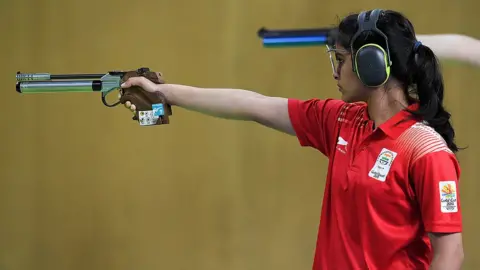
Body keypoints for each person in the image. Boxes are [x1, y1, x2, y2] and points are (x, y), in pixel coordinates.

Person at [120, 9, 465, 270]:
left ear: (371, 64)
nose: (334, 71)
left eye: (342, 60)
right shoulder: (341, 121)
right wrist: (164, 92)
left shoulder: (426, 151)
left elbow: (450, 254)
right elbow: (252, 105)